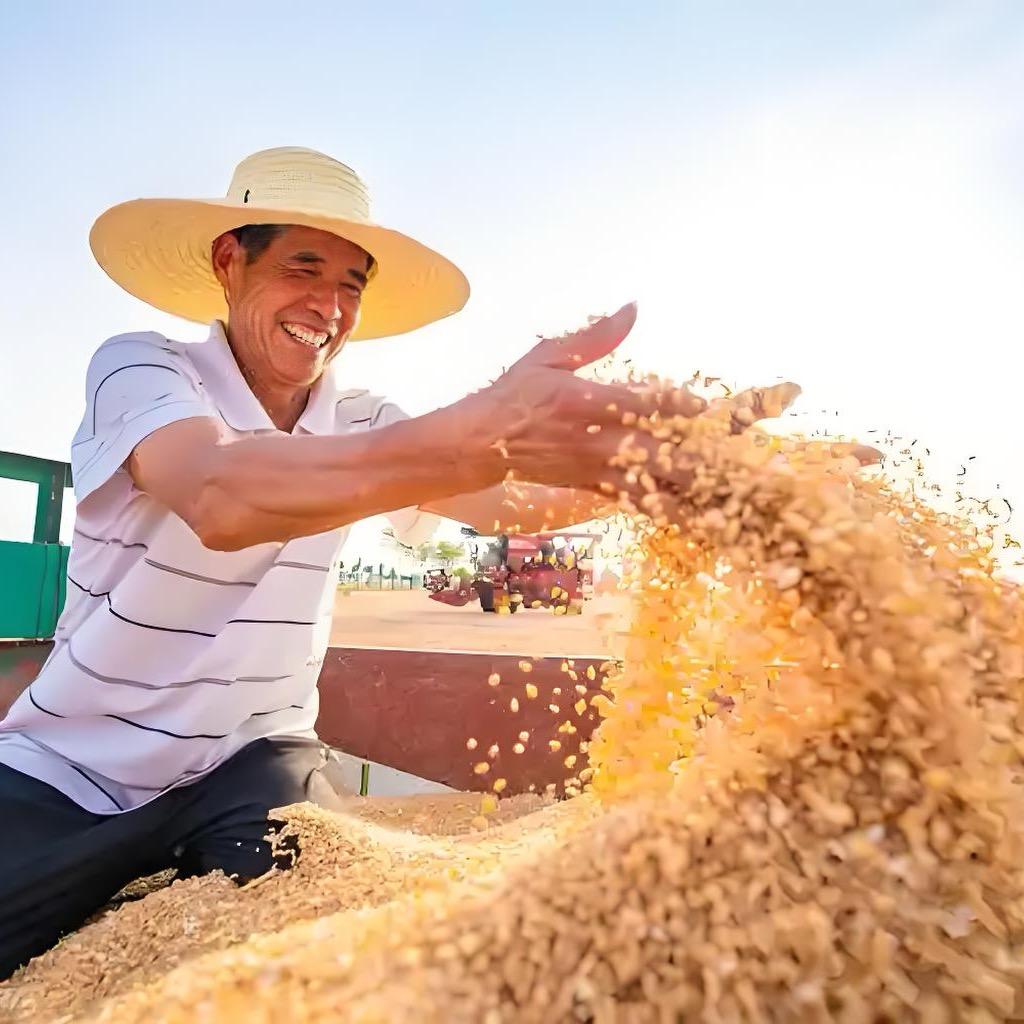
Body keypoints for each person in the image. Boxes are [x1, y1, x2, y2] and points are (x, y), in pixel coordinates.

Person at [0, 146, 793, 976]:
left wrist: (676, 471)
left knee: (314, 947)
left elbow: (508, 501)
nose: (329, 305)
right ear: (230, 259)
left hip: (253, 761)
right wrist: (477, 432)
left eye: (351, 284)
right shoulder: (143, 369)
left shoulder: (366, 419)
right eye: (304, 267)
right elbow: (221, 496)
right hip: (76, 763)